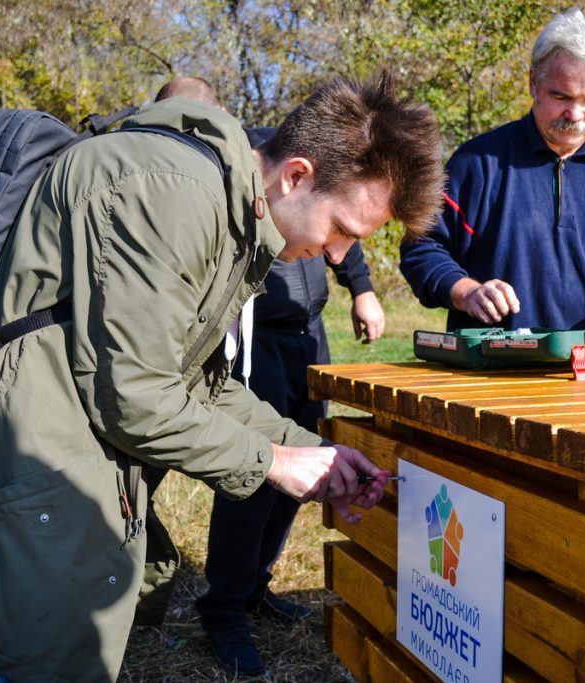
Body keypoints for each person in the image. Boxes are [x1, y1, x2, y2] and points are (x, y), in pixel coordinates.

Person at [0, 71, 444, 682]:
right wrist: (271, 463)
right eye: (342, 229)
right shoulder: (172, 194)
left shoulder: (225, 202)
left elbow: (194, 381)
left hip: (55, 471)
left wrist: (312, 452)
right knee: (25, 660)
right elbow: (136, 396)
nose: (342, 255)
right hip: (23, 472)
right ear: (296, 176)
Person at [193, 124, 387, 674]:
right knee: (257, 474)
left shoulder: (337, 183)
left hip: (309, 335)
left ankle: (257, 586)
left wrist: (363, 288)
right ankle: (223, 608)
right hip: (259, 338)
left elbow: (344, 233)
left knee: (307, 461)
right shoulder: (267, 165)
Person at [400, 7, 585, 333]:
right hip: (489, 369)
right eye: (560, 96)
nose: (575, 113)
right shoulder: (477, 162)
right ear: (533, 83)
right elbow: (421, 247)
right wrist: (465, 291)